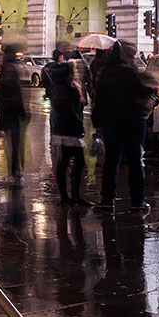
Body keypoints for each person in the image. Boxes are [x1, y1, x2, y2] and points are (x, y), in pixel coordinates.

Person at [92, 41, 156, 211]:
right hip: (133, 121)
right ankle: (137, 201)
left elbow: (99, 100)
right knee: (135, 161)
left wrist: (97, 123)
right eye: (133, 57)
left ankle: (107, 199)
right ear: (127, 57)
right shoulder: (131, 73)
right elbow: (145, 92)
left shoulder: (106, 73)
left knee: (111, 161)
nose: (135, 59)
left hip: (111, 122)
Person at [43, 50, 90, 206]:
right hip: (70, 130)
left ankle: (68, 196)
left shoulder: (63, 88)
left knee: (65, 162)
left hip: (63, 129)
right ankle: (72, 195)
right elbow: (71, 111)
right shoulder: (68, 89)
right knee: (77, 162)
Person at [0, 51, 29, 183]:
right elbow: (16, 95)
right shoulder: (11, 71)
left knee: (10, 143)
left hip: (6, 112)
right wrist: (22, 112)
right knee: (14, 143)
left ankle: (14, 170)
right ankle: (14, 171)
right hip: (13, 112)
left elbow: (0, 96)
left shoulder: (3, 71)